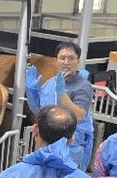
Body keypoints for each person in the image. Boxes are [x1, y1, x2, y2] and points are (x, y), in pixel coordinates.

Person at [26, 42, 94, 170]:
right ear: (55, 60)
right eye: (62, 58)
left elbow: (79, 115)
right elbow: (39, 110)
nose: (66, 62)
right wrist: (32, 93)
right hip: (47, 141)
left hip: (70, 145)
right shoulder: (50, 83)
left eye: (71, 58)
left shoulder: (83, 86)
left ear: (78, 61)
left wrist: (62, 93)